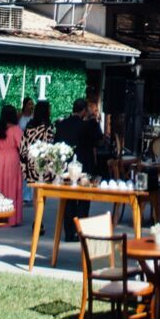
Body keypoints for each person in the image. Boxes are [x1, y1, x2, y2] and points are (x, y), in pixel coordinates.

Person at [55, 98, 104, 239]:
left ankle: (69, 232)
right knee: (83, 200)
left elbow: (56, 143)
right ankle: (80, 230)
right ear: (84, 111)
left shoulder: (62, 124)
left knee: (68, 200)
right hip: (84, 166)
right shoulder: (88, 125)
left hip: (66, 167)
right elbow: (99, 140)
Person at [0, 104, 25, 226]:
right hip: (13, 159)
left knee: (0, 186)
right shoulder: (16, 129)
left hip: (0, 159)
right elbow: (22, 146)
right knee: (12, 186)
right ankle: (12, 218)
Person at [22, 100, 57, 183]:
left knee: (29, 192)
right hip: (43, 165)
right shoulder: (48, 127)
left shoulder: (29, 126)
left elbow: (23, 146)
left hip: (30, 163)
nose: (50, 111)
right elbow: (50, 146)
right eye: (49, 109)